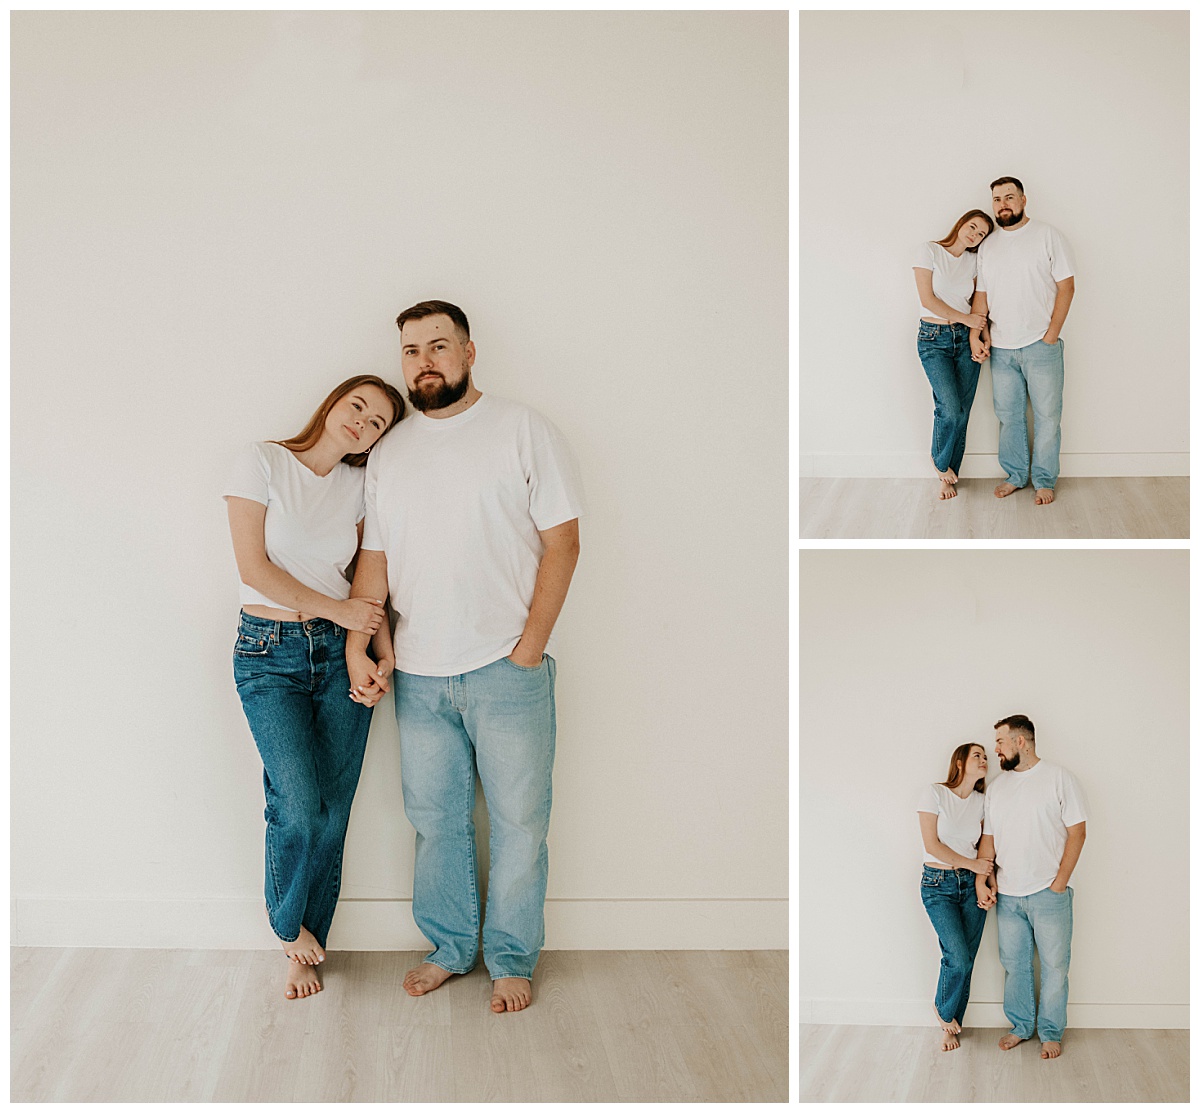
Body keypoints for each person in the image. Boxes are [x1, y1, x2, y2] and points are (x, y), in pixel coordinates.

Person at [345, 300, 584, 1015]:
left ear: (469, 352)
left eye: (438, 346)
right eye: (412, 350)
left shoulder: (522, 430)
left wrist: (530, 645)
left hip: (508, 667)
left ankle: (511, 958)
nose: (424, 361)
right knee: (436, 819)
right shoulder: (389, 452)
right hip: (417, 672)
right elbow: (375, 563)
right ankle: (451, 947)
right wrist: (364, 645)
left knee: (519, 823)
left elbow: (563, 542)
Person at [224, 374, 406, 1001]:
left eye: (377, 422)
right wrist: (339, 613)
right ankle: (284, 926)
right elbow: (255, 570)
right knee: (297, 802)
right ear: (333, 403)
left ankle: (310, 940)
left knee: (332, 811)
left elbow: (367, 576)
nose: (362, 422)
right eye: (358, 406)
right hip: (267, 652)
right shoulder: (263, 462)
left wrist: (378, 658)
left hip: (338, 656)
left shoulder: (361, 485)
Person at [976, 715, 1088, 1059]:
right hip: (1008, 894)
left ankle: (1051, 1032)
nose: (995, 749)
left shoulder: (1059, 779)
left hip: (1049, 893)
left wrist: (1059, 884)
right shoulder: (997, 787)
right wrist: (984, 879)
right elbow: (988, 840)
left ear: (1020, 741)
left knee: (1055, 966)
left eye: (1000, 741)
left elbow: (1078, 832)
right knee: (1015, 964)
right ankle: (1021, 1026)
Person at [968, 178, 1076, 505]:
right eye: (997, 199)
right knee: (1009, 416)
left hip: (1041, 345)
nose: (1003, 204)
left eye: (1009, 197)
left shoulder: (1048, 236)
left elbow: (1067, 286)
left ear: (1023, 200)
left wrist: (1052, 333)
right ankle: (1016, 475)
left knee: (1047, 417)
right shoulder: (988, 245)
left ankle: (1044, 480)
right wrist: (977, 334)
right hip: (1001, 348)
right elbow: (981, 296)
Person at [912, 210, 995, 500]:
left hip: (964, 338)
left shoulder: (975, 261)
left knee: (963, 411)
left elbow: (979, 303)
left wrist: (979, 337)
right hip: (933, 339)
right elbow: (928, 300)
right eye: (972, 227)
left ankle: (950, 475)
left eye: (981, 233)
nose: (974, 234)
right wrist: (968, 319)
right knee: (949, 407)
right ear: (961, 224)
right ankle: (940, 464)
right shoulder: (930, 251)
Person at [917, 743, 993, 1052]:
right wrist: (974, 864)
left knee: (968, 960)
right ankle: (943, 1011)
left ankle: (953, 1025)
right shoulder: (934, 793)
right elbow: (932, 845)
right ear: (959, 762)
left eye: (986, 757)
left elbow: (987, 847)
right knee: (957, 957)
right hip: (938, 884)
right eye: (977, 755)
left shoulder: (983, 803)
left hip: (970, 885)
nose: (984, 760)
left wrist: (984, 882)